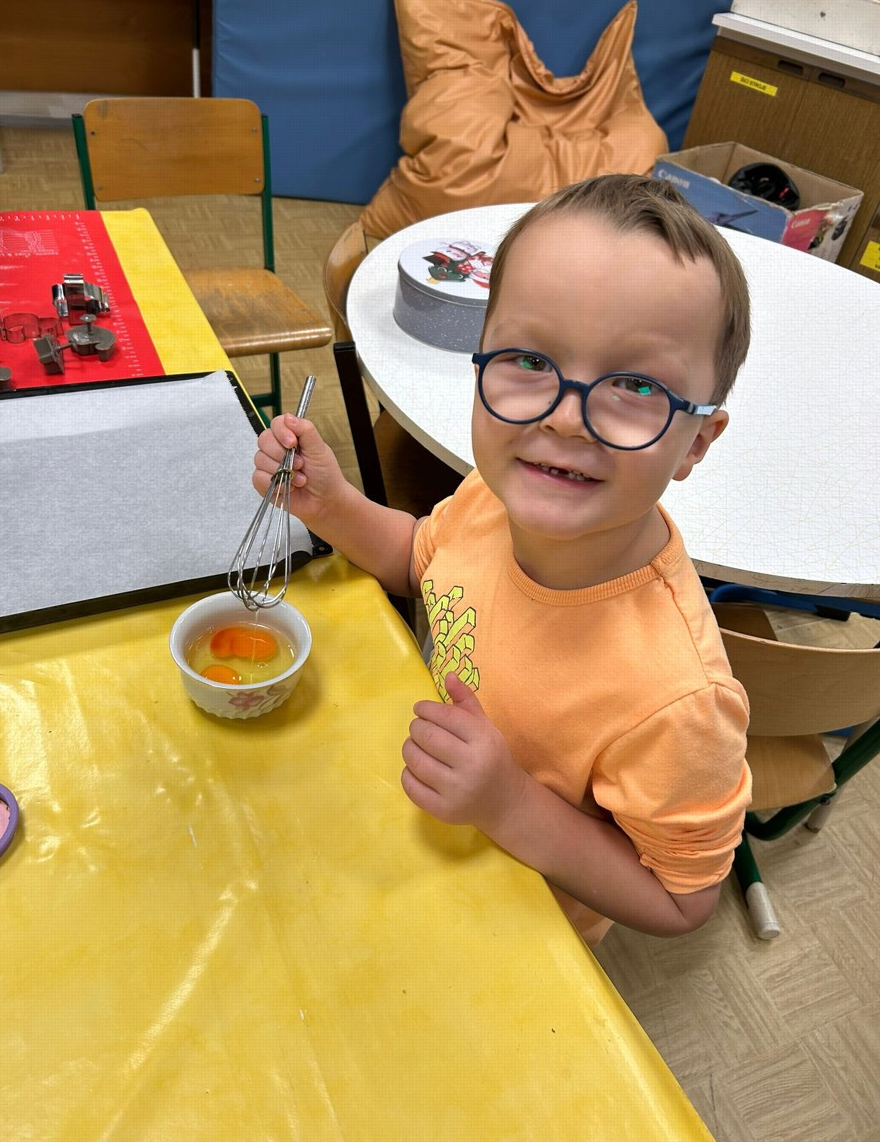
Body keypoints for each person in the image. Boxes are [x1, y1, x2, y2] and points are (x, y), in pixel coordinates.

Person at [253, 175, 752, 947]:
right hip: (408, 823)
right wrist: (332, 506)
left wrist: (509, 804)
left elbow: (682, 901)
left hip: (514, 927)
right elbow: (420, 561)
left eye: (633, 384)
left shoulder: (677, 698)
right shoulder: (493, 496)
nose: (566, 418)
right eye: (529, 358)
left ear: (696, 442)